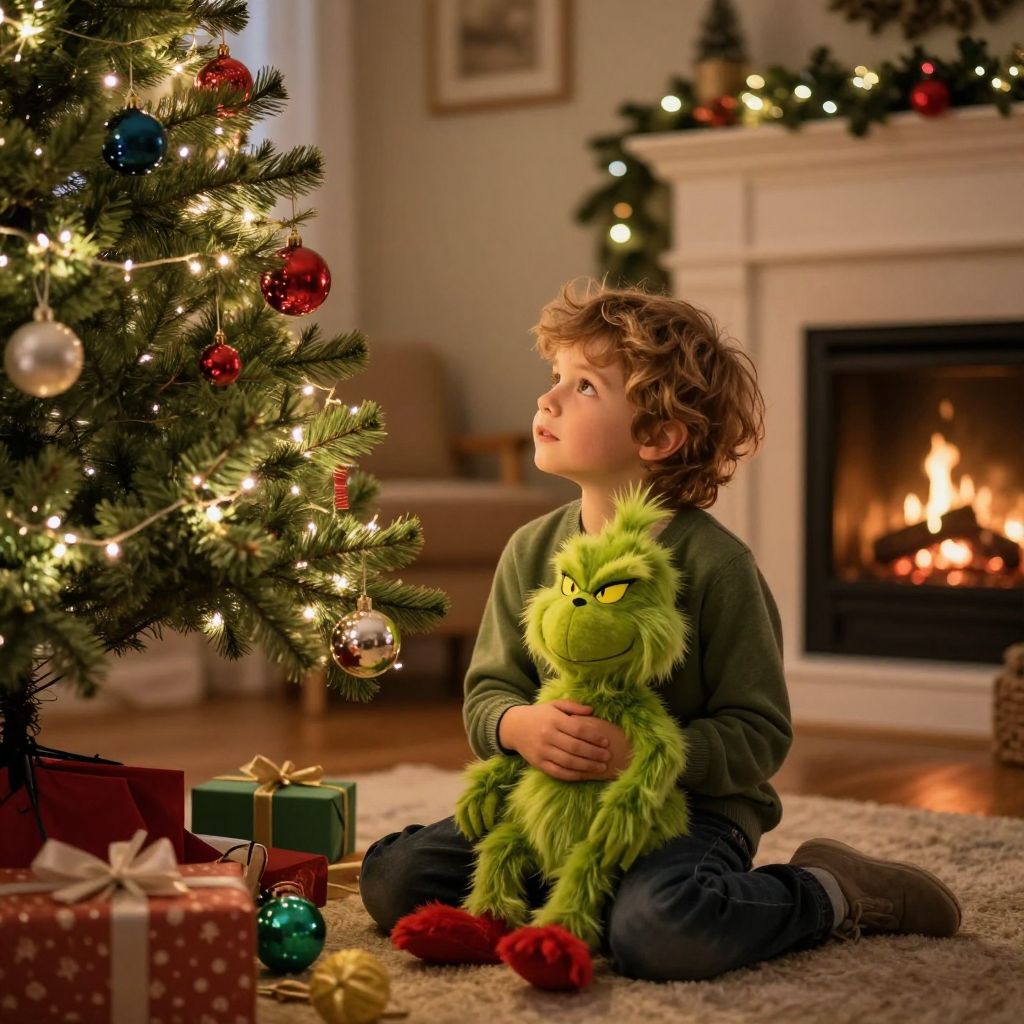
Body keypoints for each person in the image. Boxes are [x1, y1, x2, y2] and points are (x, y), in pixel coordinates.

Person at [359, 281, 961, 981]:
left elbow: (760, 733)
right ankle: (569, 899)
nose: (545, 401)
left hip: (687, 814)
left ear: (657, 436)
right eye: (554, 379)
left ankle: (831, 891)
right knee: (393, 879)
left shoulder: (717, 565)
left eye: (583, 387)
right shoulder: (530, 549)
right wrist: (521, 727)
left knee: (661, 933)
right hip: (547, 810)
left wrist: (641, 752)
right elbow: (489, 693)